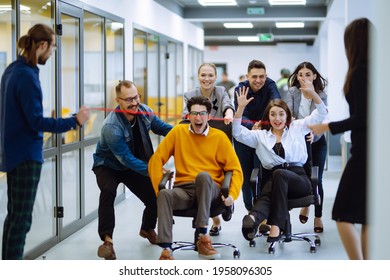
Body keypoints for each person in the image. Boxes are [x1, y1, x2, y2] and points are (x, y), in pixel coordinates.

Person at [0, 23, 90, 260]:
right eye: (52, 48)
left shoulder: (11, 70)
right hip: (26, 156)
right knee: (22, 220)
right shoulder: (26, 76)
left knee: (14, 217)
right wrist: (75, 121)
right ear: (42, 46)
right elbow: (36, 122)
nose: (51, 53)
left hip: (13, 154)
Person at [148, 95, 243, 260]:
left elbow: (235, 169)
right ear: (188, 116)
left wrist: (232, 195)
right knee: (164, 194)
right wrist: (158, 188)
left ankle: (202, 236)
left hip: (211, 189)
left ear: (209, 116)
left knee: (203, 177)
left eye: (202, 113)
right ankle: (166, 249)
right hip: (184, 190)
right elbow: (155, 161)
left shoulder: (219, 137)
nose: (198, 118)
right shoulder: (178, 132)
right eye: (194, 114)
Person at [233, 82, 327, 242]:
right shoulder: (260, 136)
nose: (277, 118)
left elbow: (321, 114)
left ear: (287, 116)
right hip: (274, 181)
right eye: (273, 114)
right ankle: (254, 219)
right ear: (268, 117)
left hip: (299, 181)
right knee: (271, 188)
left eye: (281, 114)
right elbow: (237, 133)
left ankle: (275, 225)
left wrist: (313, 94)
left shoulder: (298, 127)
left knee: (278, 176)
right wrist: (240, 108)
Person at [308, 18, 370, 260]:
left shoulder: (361, 72)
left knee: (342, 212)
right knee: (367, 215)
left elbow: (365, 117)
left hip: (365, 153)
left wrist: (327, 126)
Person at [92, 80, 172, 260]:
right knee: (108, 191)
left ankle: (147, 228)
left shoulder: (144, 111)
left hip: (133, 163)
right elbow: (126, 159)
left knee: (156, 196)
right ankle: (107, 241)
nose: (134, 102)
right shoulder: (111, 127)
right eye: (128, 99)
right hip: (109, 165)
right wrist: (155, 169)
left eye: (136, 97)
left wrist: (185, 131)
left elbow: (162, 128)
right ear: (118, 100)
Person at [182, 62, 235, 236]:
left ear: (216, 77)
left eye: (210, 75)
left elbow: (228, 105)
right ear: (198, 77)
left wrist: (228, 113)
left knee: (215, 180)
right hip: (197, 145)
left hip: (217, 144)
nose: (207, 79)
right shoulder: (189, 94)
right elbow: (185, 115)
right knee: (200, 181)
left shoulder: (220, 91)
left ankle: (223, 205)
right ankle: (215, 219)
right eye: (203, 75)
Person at [286, 62, 328, 233]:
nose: (304, 78)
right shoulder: (293, 92)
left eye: (308, 74)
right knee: (302, 176)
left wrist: (314, 134)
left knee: (317, 179)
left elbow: (323, 117)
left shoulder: (321, 94)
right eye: (301, 74)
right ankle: (306, 204)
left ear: (314, 76)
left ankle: (318, 216)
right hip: (297, 141)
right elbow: (288, 111)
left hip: (316, 141)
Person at [233, 60, 281, 212]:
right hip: (244, 138)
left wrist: (265, 123)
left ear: (266, 76)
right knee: (245, 178)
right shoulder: (240, 89)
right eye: (254, 77)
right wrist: (252, 126)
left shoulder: (270, 85)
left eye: (262, 76)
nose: (258, 80)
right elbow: (241, 114)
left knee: (262, 175)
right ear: (247, 76)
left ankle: (261, 213)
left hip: (262, 137)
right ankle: (251, 211)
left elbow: (276, 103)